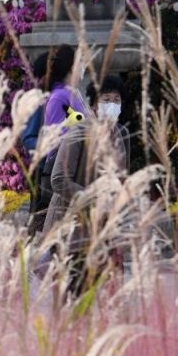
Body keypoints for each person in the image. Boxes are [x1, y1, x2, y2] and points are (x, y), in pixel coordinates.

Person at [41, 74, 130, 235]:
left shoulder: (122, 133)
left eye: (116, 100)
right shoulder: (79, 132)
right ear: (94, 105)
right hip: (69, 223)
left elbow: (122, 177)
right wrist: (94, 199)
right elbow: (59, 179)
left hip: (102, 225)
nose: (112, 105)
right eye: (106, 100)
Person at [27, 44, 85, 238]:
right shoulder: (59, 97)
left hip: (75, 168)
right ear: (71, 67)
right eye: (80, 63)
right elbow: (58, 138)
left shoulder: (71, 94)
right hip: (62, 170)